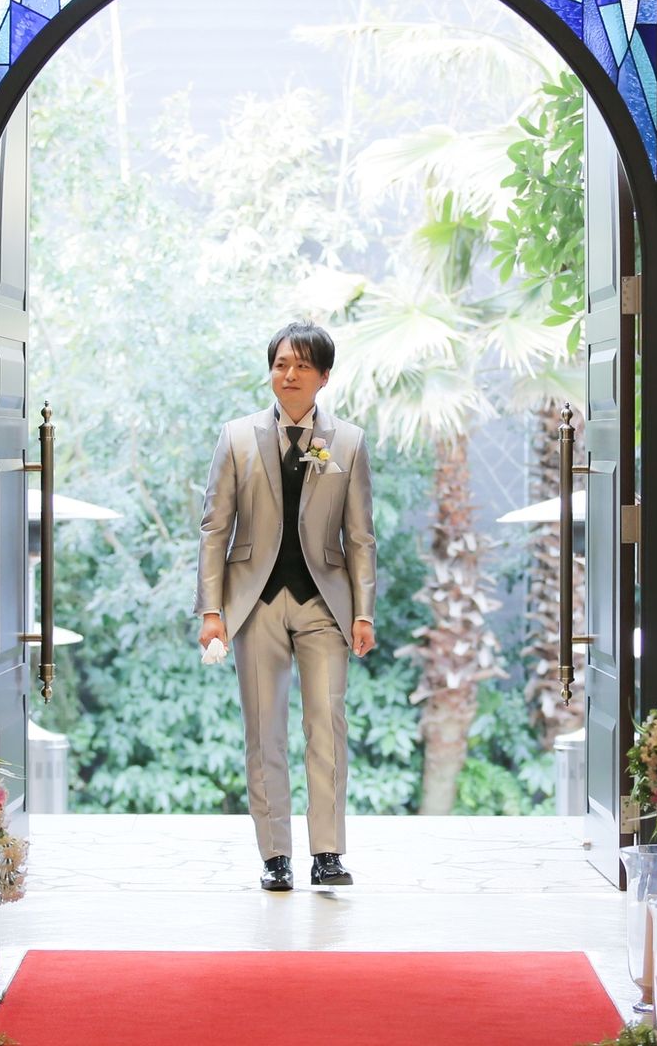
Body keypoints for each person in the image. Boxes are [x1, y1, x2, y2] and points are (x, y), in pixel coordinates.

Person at [196, 321, 377, 891]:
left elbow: (361, 537)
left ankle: (328, 853)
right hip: (255, 604)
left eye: (302, 366)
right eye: (280, 364)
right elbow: (214, 528)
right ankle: (275, 856)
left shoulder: (348, 442)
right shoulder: (236, 437)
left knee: (327, 725)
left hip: (326, 604)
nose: (289, 374)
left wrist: (363, 612)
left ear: (324, 376)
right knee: (264, 730)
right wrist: (211, 610)